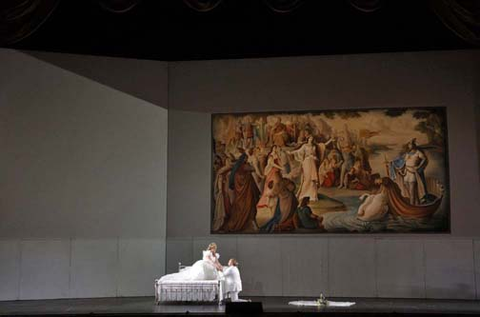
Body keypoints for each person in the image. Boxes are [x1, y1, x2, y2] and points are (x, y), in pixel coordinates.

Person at [225, 153, 261, 232]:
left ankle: (248, 223)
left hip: (243, 193)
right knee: (248, 207)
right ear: (243, 159)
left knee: (246, 208)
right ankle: (248, 223)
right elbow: (253, 169)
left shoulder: (237, 168)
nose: (246, 160)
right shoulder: (244, 167)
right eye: (245, 158)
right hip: (245, 194)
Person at [390, 138, 430, 205]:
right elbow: (402, 162)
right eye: (409, 144)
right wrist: (393, 164)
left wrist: (419, 166)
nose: (409, 146)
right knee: (412, 192)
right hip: (406, 173)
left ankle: (412, 207)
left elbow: (424, 159)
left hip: (412, 173)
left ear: (413, 145)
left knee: (412, 193)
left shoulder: (418, 152)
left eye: (410, 144)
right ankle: (417, 205)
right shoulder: (407, 154)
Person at [288, 136, 319, 201]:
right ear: (308, 139)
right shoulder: (305, 146)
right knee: (306, 178)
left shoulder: (314, 147)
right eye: (310, 138)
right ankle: (304, 194)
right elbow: (298, 151)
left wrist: (314, 157)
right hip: (306, 162)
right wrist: (291, 152)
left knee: (311, 179)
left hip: (312, 162)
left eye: (312, 138)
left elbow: (314, 155)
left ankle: (312, 195)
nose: (311, 139)